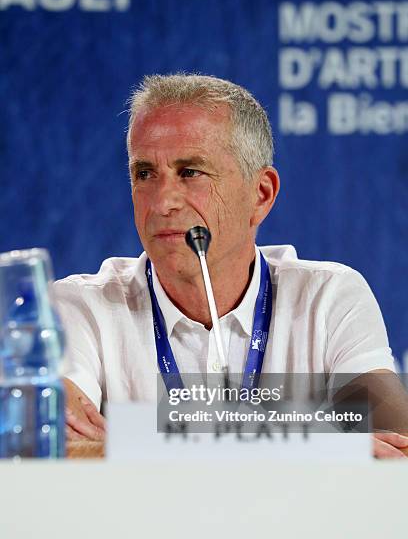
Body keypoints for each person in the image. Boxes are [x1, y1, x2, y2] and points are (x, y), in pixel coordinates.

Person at [54, 73, 408, 458]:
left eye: (190, 172)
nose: (161, 202)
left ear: (261, 194)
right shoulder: (80, 306)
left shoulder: (328, 297)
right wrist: (311, 448)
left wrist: (133, 449)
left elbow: (394, 447)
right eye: (145, 173)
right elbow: (51, 448)